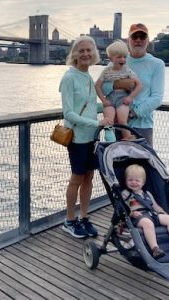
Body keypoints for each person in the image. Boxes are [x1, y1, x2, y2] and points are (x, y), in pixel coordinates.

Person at [59, 36, 112, 238]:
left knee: (89, 176)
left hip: (92, 136)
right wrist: (97, 123)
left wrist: (107, 107)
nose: (86, 54)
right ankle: (69, 220)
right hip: (77, 137)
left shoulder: (88, 76)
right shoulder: (69, 77)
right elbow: (69, 114)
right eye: (81, 50)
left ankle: (83, 217)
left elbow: (90, 107)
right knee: (77, 178)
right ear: (74, 54)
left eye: (89, 50)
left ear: (94, 53)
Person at [122, 164, 169, 259]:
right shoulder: (125, 194)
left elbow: (155, 206)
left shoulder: (147, 194)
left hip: (152, 214)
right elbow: (122, 208)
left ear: (143, 182)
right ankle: (155, 249)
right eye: (130, 180)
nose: (133, 182)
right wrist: (131, 213)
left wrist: (163, 213)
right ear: (126, 181)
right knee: (148, 224)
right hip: (138, 217)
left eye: (137, 180)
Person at [112, 23, 165, 147]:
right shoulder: (118, 60)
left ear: (148, 40)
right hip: (119, 125)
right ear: (128, 40)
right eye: (134, 37)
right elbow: (104, 86)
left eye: (142, 37)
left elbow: (157, 98)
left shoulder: (157, 64)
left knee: (143, 164)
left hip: (143, 126)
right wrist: (119, 84)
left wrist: (132, 113)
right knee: (118, 164)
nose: (138, 40)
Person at [95, 40, 142, 141]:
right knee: (108, 122)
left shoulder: (127, 70)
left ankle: (127, 137)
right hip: (110, 99)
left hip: (122, 99)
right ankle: (110, 142)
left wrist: (130, 97)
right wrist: (103, 100)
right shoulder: (106, 71)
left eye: (124, 57)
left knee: (122, 121)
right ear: (111, 58)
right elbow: (97, 86)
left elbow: (139, 86)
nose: (122, 59)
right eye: (119, 57)